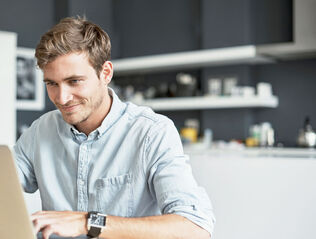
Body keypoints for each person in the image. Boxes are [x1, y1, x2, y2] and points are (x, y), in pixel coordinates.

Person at [14, 16, 215, 239]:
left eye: (74, 81)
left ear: (106, 73)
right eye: (52, 83)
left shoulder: (152, 132)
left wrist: (88, 222)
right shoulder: (41, 130)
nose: (62, 98)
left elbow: (195, 228)